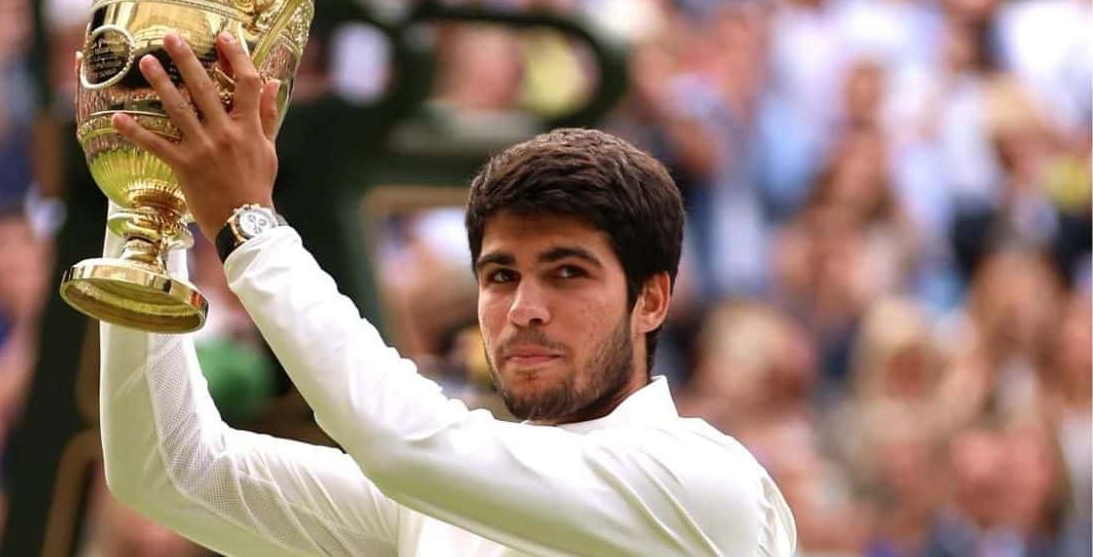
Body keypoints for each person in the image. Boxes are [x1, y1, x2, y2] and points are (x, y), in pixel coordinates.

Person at [99, 30, 797, 555]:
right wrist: (146, 193)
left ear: (651, 300)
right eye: (501, 276)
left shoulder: (704, 482)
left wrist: (248, 224)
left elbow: (404, 445)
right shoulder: (437, 496)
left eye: (567, 273)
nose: (524, 309)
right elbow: (169, 468)